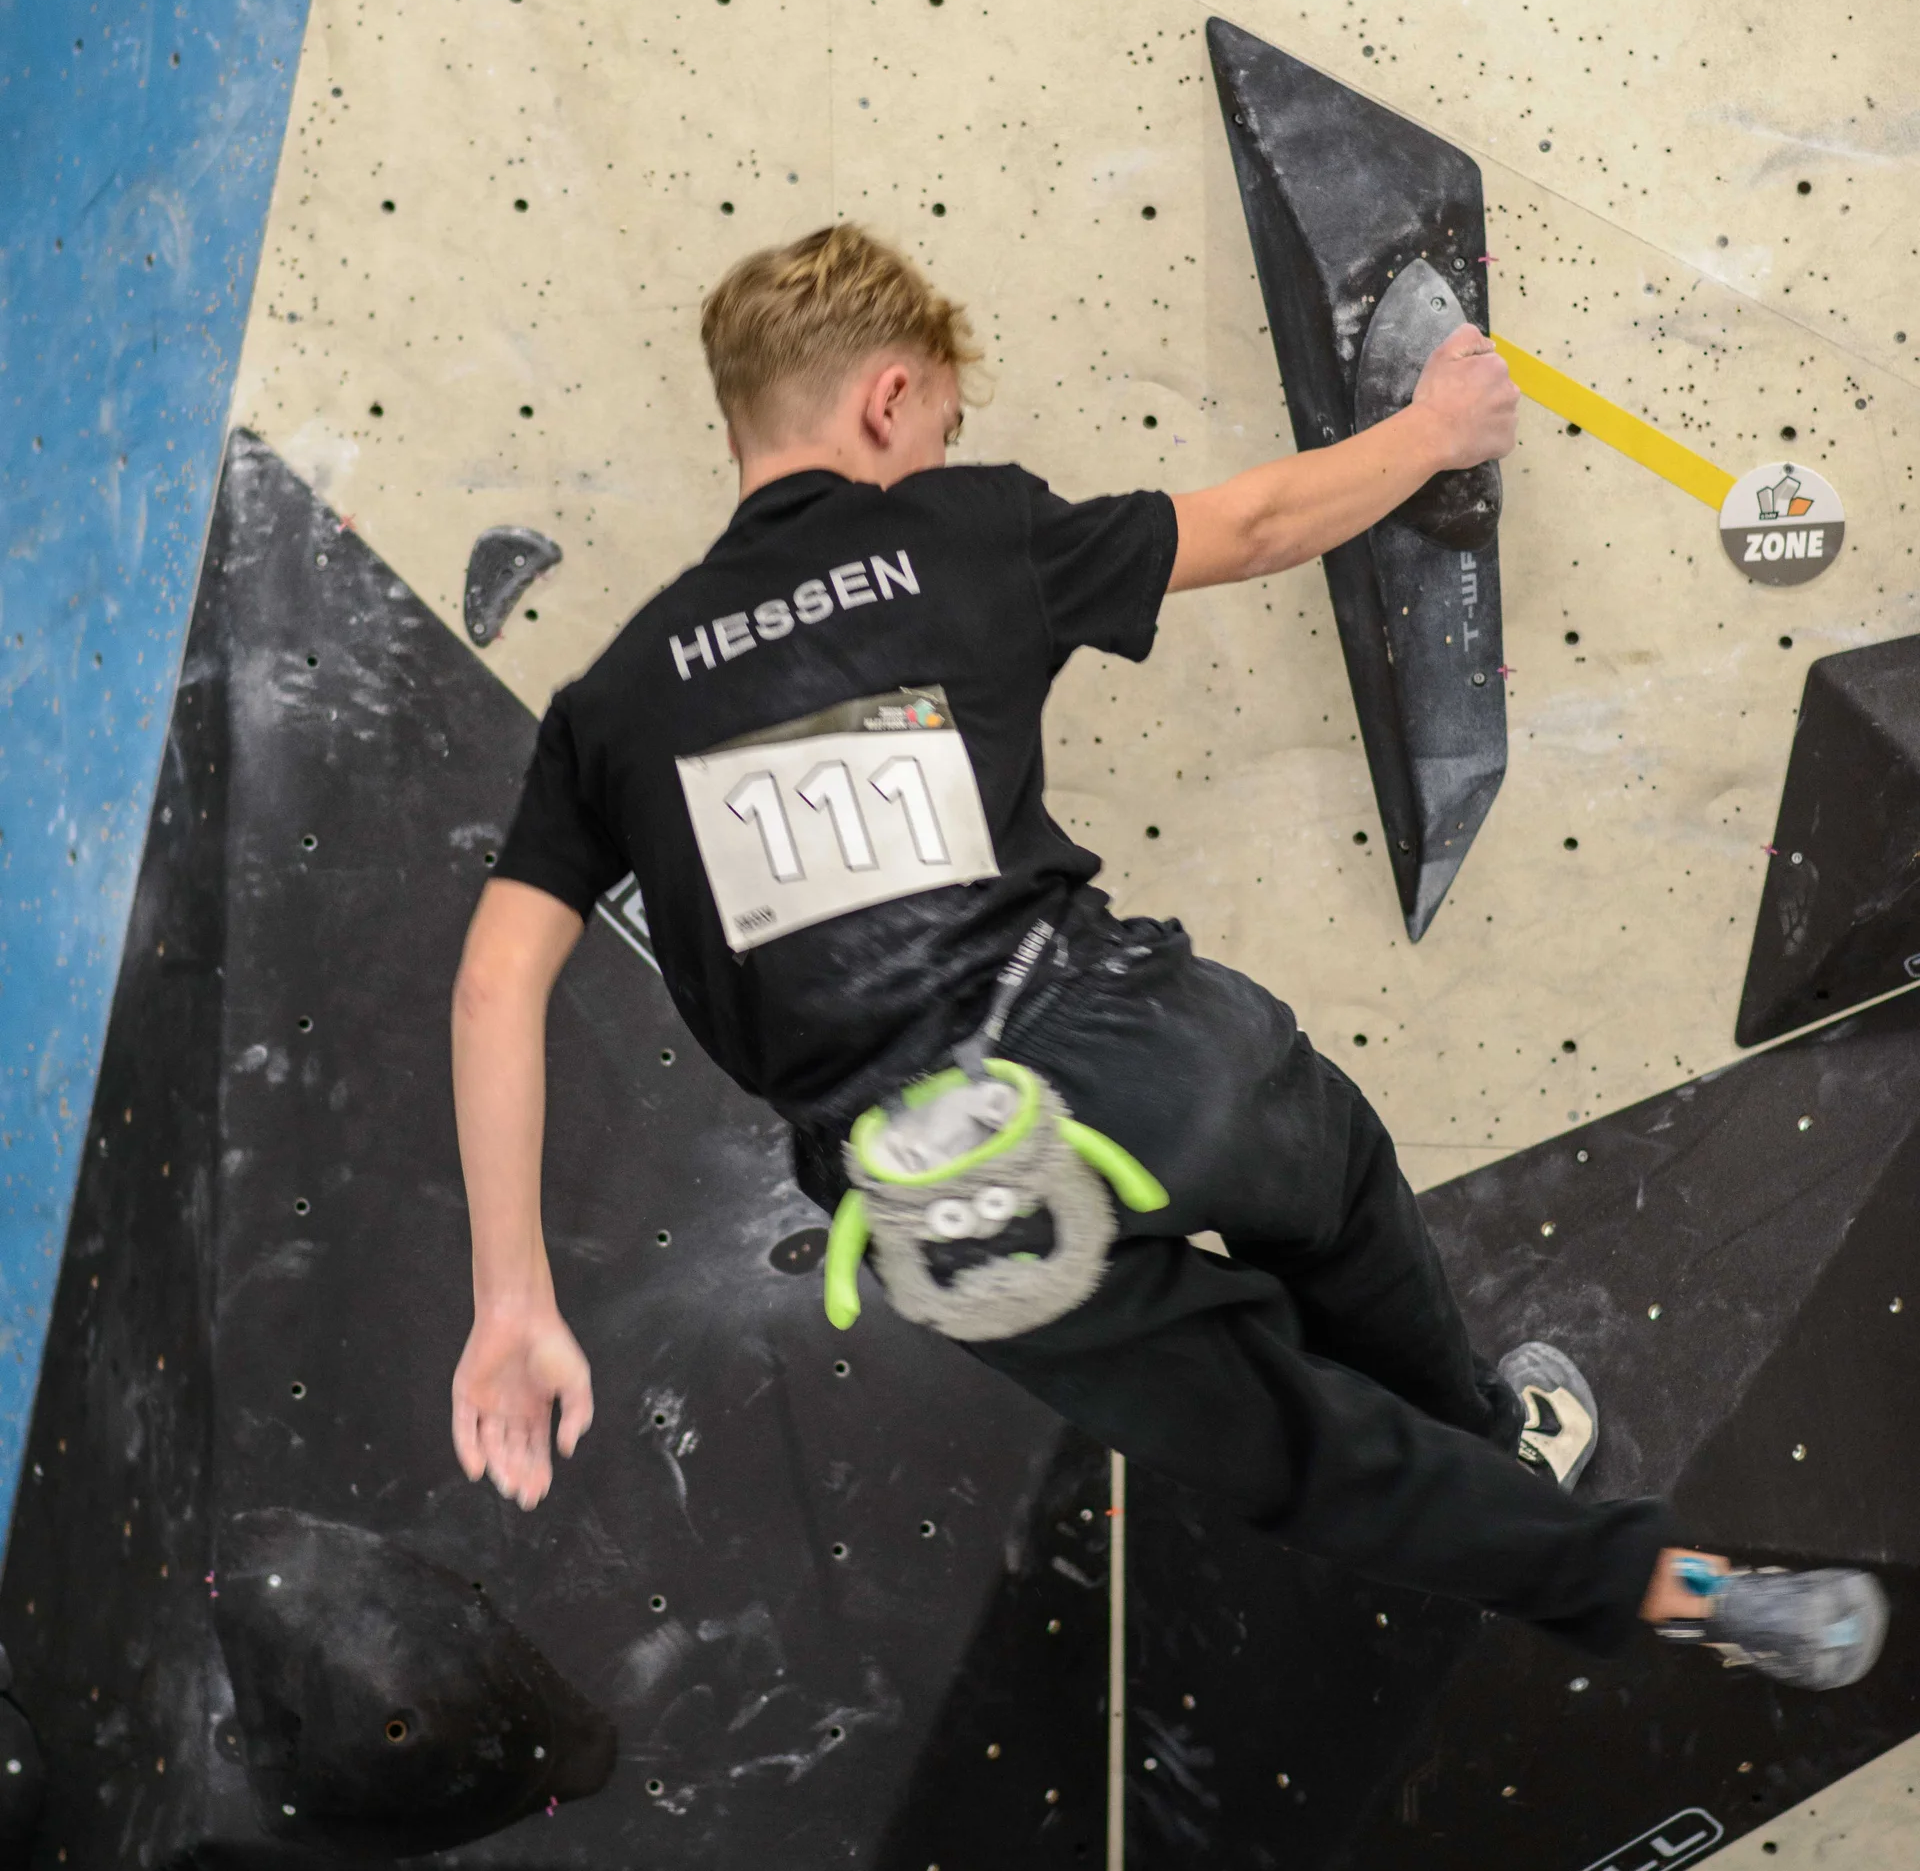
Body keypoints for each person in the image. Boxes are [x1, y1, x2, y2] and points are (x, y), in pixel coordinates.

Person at [448, 224, 1885, 1691]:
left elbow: (500, 979)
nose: (947, 443)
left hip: (936, 1202)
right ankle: (1492, 1445)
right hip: (1122, 1051)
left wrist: (513, 1300)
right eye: (943, 417)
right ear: (888, 400)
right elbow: (1259, 524)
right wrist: (1434, 428)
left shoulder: (611, 704)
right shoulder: (954, 533)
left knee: (1300, 1451)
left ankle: (1665, 1585)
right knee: (1329, 1193)